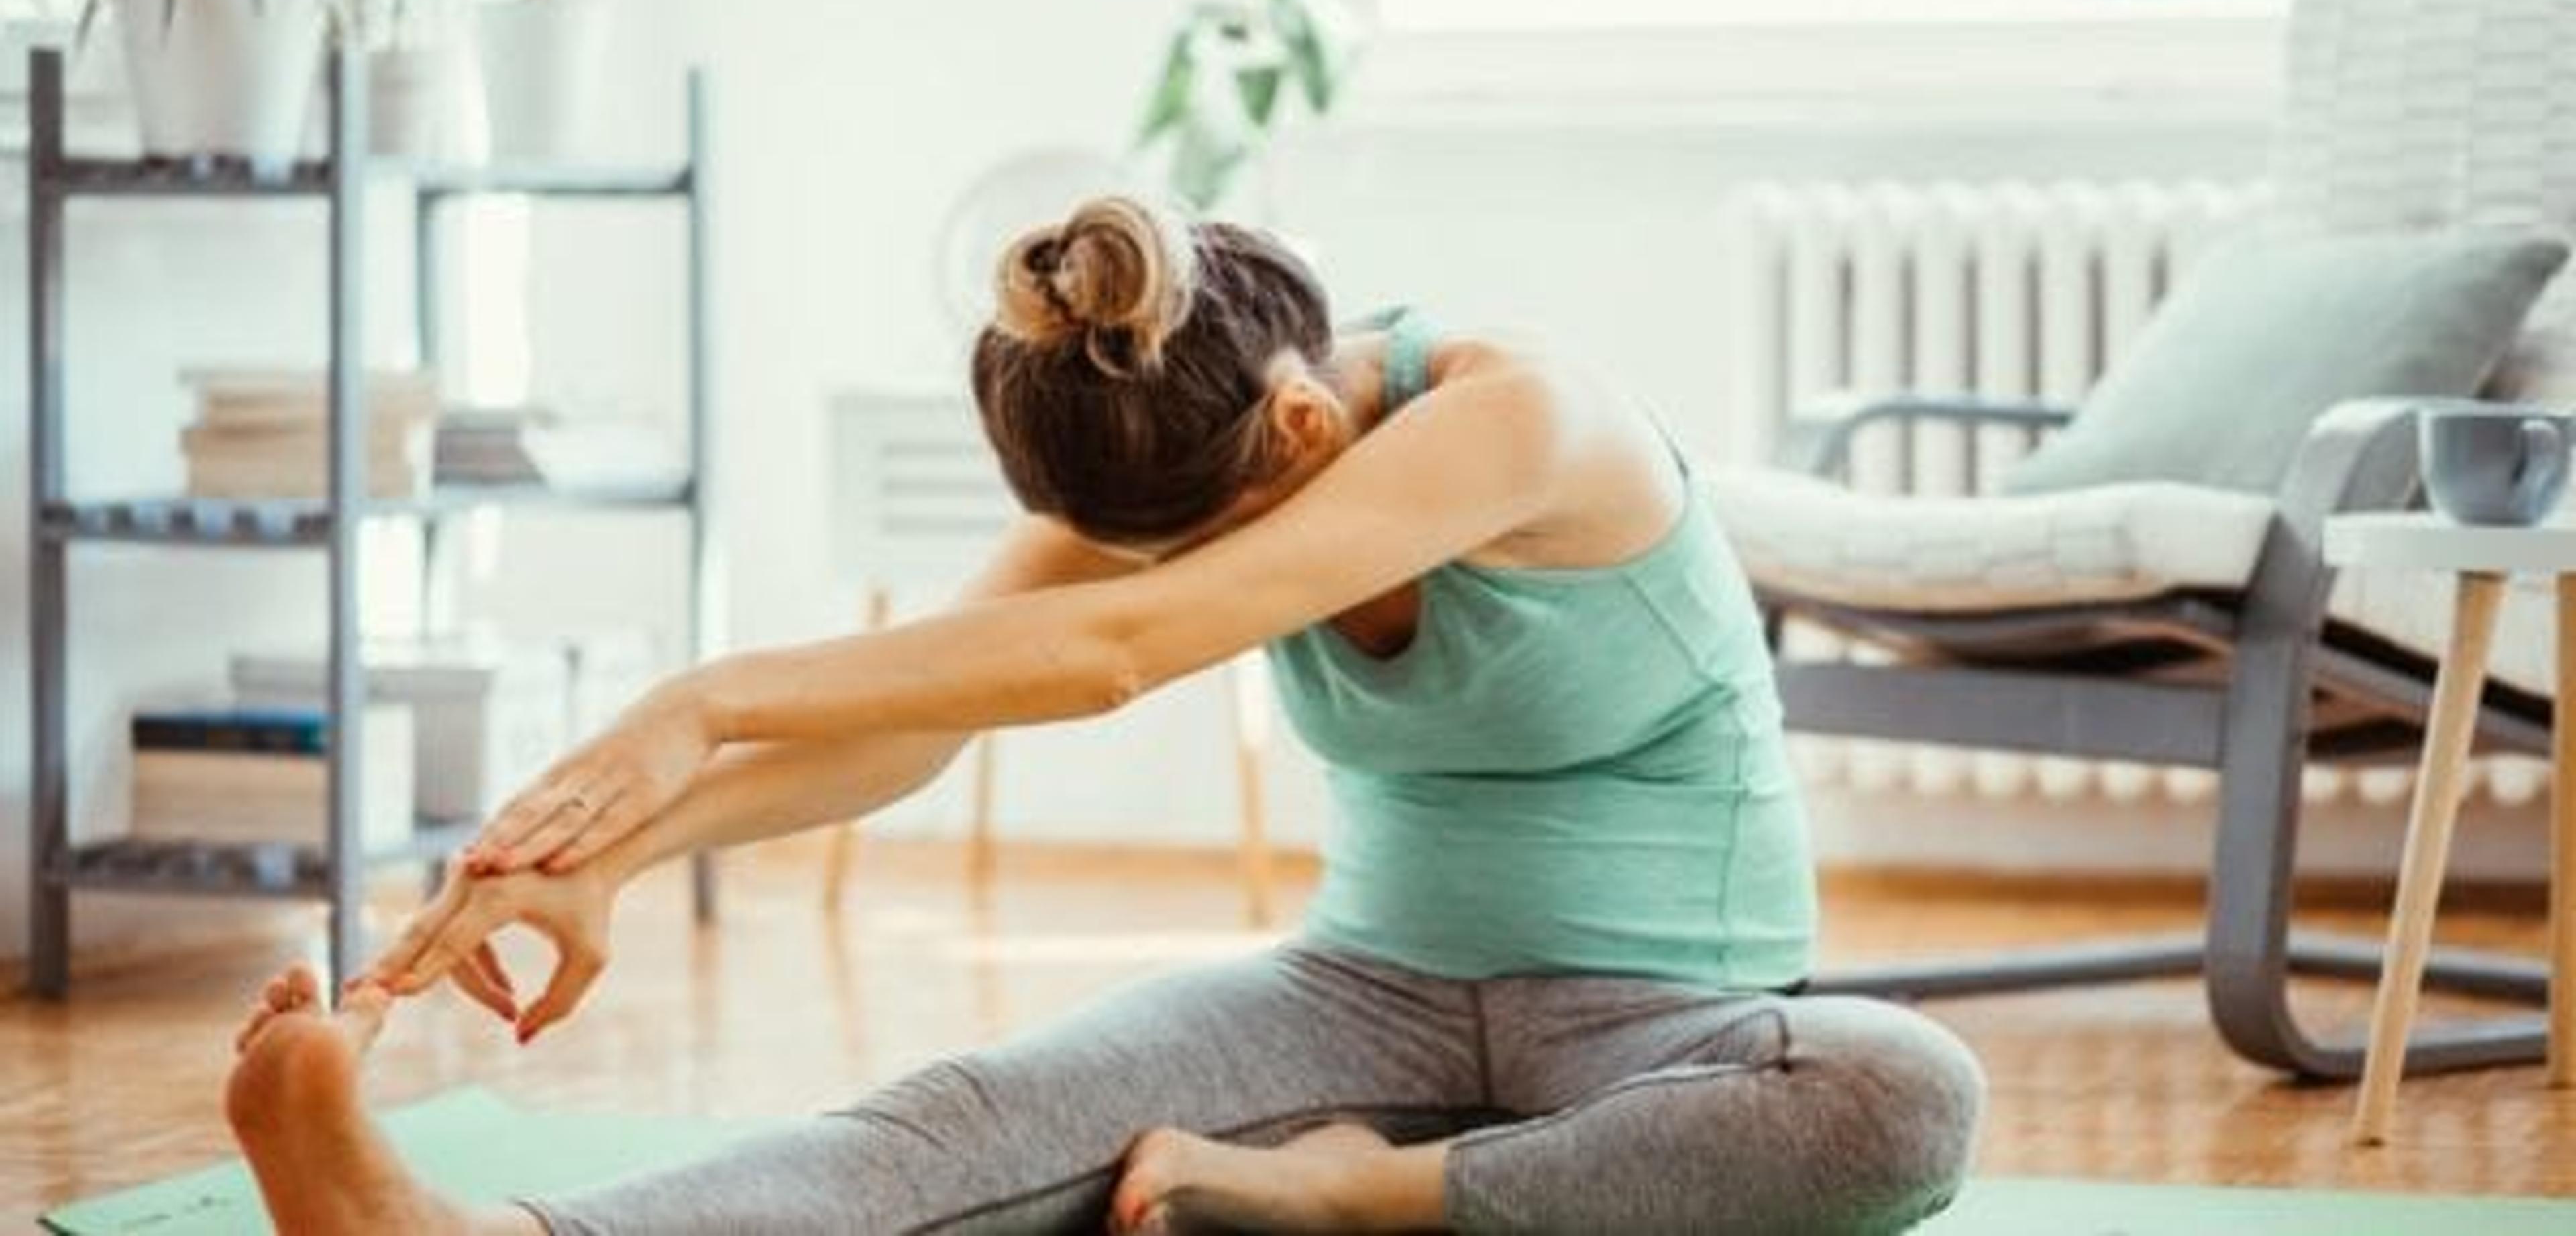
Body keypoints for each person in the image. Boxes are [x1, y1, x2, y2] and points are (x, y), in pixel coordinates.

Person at [224, 196, 1986, 1235]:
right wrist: (607, 848)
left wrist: (695, 703)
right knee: (959, 1115)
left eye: (1182, 543)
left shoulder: (1524, 421)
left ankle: (1344, 1200)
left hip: (1663, 1031)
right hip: (1355, 993)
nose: (1121, 563)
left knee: (1897, 1092)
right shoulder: (1175, 433)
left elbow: (1117, 649)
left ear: (1301, 434)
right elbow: (926, 722)